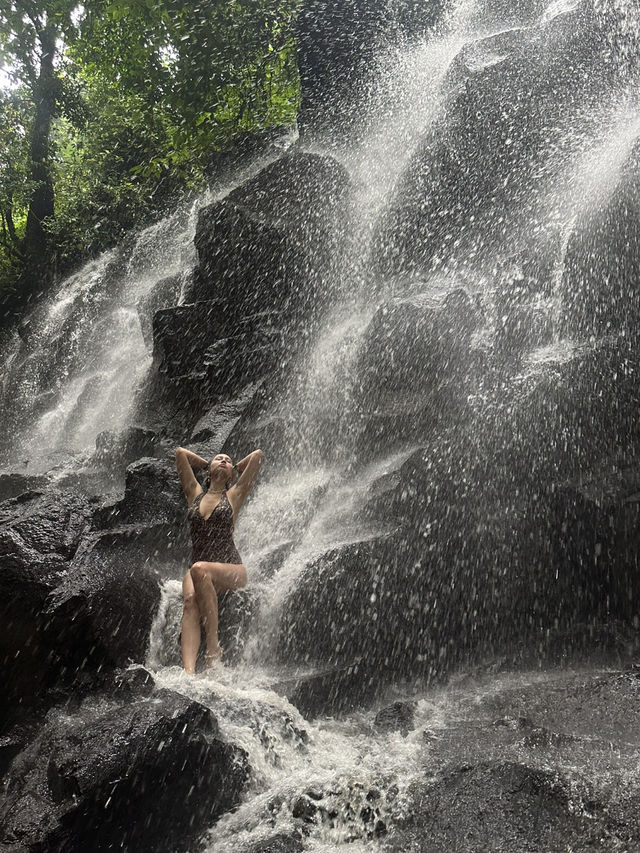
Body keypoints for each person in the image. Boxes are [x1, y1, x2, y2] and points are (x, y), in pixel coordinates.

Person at [175, 445, 264, 674]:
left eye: (228, 460)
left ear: (232, 473)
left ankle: (213, 649)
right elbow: (180, 454)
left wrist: (236, 467)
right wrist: (207, 464)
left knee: (199, 569)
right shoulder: (194, 493)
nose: (223, 460)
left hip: (231, 568)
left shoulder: (234, 495)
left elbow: (257, 456)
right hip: (198, 567)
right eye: (219, 459)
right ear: (208, 471)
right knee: (190, 600)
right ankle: (188, 673)